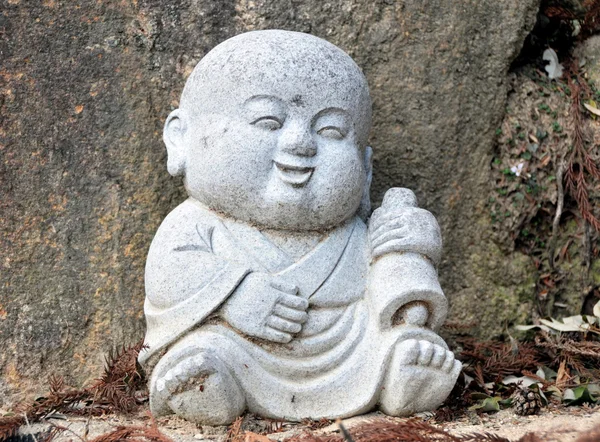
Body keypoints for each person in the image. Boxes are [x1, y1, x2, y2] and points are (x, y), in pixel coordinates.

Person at [139, 30, 461, 425]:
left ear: (366, 169)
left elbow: (394, 281)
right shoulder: (195, 223)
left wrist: (410, 243)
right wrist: (236, 294)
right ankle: (208, 387)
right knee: (205, 347)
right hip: (241, 348)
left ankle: (402, 376)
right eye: (267, 121)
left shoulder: (353, 231)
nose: (300, 144)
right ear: (182, 140)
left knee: (395, 340)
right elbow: (168, 277)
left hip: (348, 348)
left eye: (330, 131)